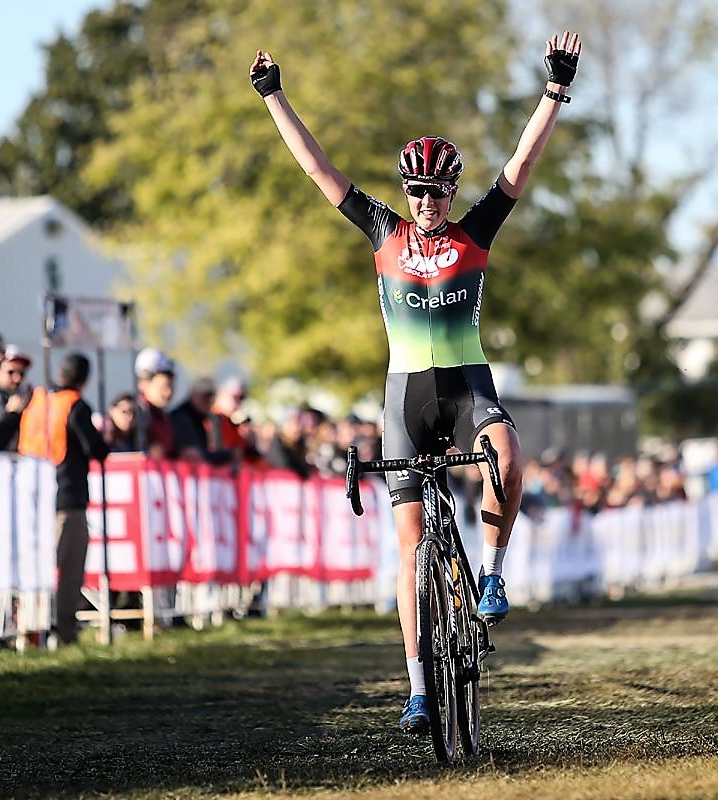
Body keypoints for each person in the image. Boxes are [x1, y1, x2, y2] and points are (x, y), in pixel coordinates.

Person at [250, 29, 581, 734]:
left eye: (435, 191)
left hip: (466, 386)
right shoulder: (382, 231)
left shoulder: (474, 233)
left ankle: (491, 573)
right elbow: (318, 170)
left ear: (452, 191)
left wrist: (553, 93)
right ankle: (419, 690)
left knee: (510, 458)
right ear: (404, 190)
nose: (425, 201)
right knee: (407, 551)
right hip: (404, 397)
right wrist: (274, 95)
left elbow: (519, 167)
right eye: (416, 190)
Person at [17, 353, 109, 645]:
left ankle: (29, 631)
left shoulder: (36, 404)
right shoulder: (76, 406)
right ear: (85, 379)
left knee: (36, 570)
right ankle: (64, 632)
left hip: (32, 497)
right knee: (68, 571)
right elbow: (96, 448)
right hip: (67, 499)